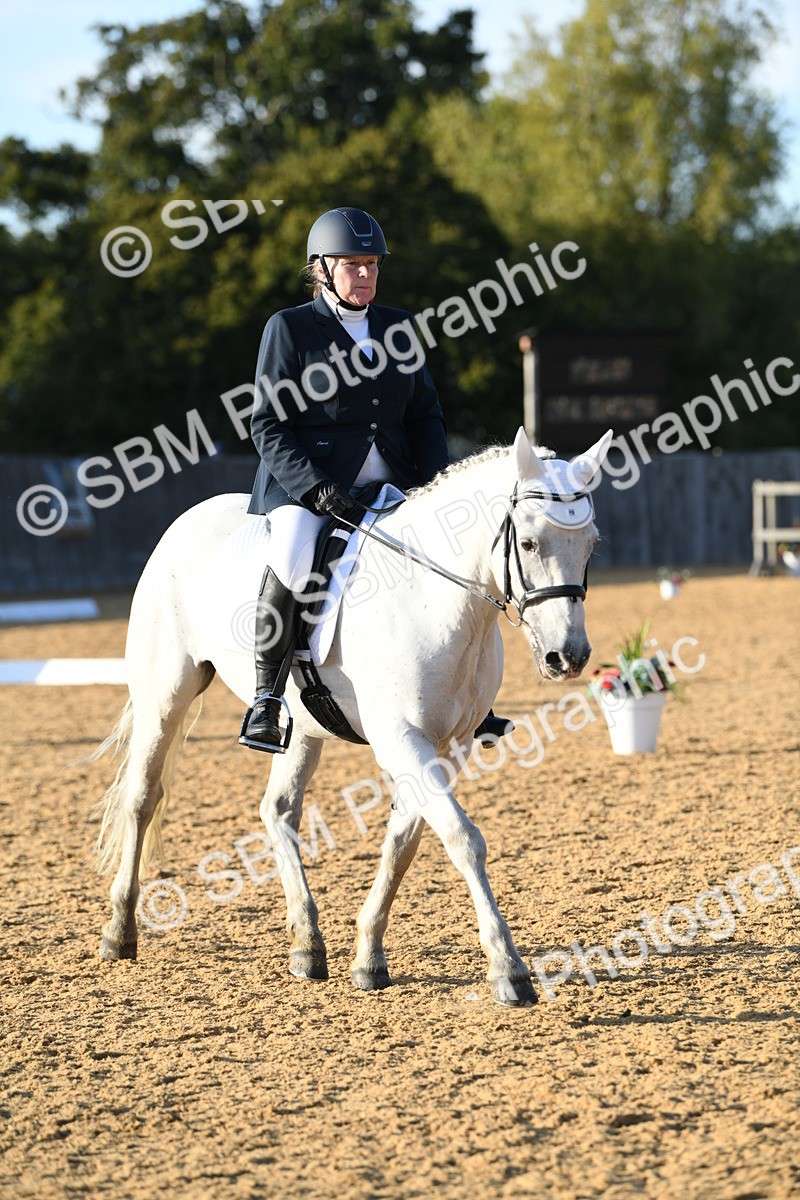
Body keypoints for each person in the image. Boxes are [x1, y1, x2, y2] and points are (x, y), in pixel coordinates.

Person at [240, 206, 512, 752]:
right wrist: (313, 487)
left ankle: (471, 699)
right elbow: (266, 422)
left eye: (371, 264)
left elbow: (425, 415)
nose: (363, 274)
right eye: (351, 264)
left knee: (463, 556)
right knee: (293, 554)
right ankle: (266, 697)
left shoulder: (397, 327)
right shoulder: (289, 329)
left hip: (394, 481)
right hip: (310, 486)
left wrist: (438, 489)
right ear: (321, 268)